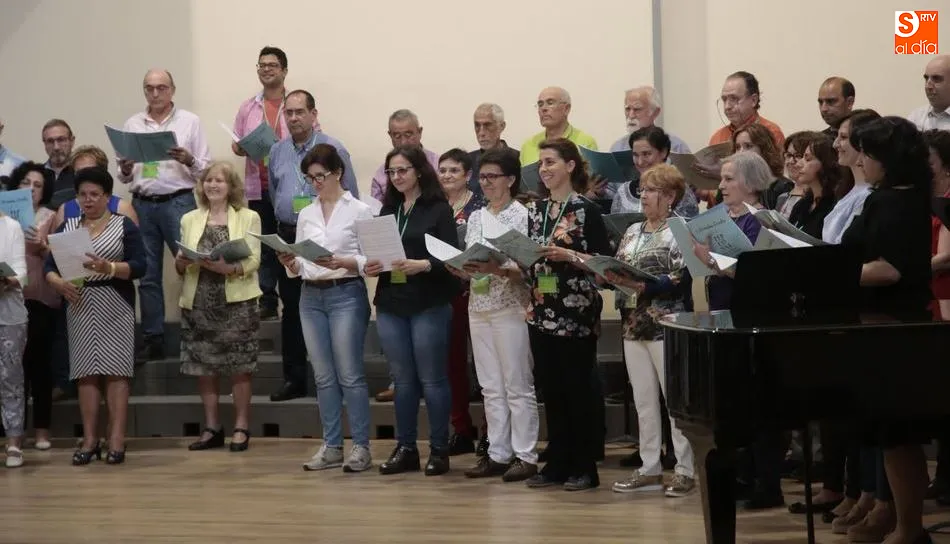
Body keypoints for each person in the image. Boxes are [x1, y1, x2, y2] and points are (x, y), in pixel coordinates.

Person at [840, 116, 936, 544]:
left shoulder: (900, 203)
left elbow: (888, 269)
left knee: (899, 436)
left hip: (896, 326)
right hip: (880, 325)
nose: (861, 160)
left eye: (868, 152)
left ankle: (909, 528)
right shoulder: (889, 197)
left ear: (887, 159)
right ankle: (898, 522)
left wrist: (830, 274)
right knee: (888, 436)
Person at [521, 138, 611, 492]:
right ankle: (557, 462)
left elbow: (603, 265)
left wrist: (570, 256)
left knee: (577, 390)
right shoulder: (536, 211)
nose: (543, 169)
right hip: (541, 308)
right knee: (552, 390)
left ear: (570, 166)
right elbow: (530, 257)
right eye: (541, 163)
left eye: (550, 162)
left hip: (575, 311)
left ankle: (584, 466)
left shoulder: (587, 210)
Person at [278, 144, 375, 473]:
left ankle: (361, 446)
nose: (316, 183)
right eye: (310, 178)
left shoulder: (360, 210)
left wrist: (345, 261)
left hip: (345, 292)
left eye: (321, 176)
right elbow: (303, 265)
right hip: (311, 295)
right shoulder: (306, 213)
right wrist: (291, 262)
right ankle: (332, 445)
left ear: (338, 173)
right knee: (322, 376)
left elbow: (373, 261)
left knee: (350, 374)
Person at [366, 145, 459, 477]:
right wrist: (372, 265)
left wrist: (423, 264)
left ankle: (439, 449)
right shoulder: (387, 211)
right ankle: (405, 448)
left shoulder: (438, 209)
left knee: (432, 380)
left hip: (428, 301)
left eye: (403, 169)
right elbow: (377, 255)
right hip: (392, 301)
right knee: (403, 382)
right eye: (391, 172)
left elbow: (452, 259)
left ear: (419, 170)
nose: (397, 176)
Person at [448, 148, 539, 482]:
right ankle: (498, 453)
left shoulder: (522, 215)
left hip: (510, 305)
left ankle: (526, 455)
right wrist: (462, 268)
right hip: (479, 305)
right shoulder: (475, 217)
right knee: (490, 386)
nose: (485, 183)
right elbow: (475, 263)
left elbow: (528, 265)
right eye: (481, 177)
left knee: (517, 383)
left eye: (492, 177)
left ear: (511, 179)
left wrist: (498, 268)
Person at [44, 167, 146, 465]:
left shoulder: (123, 224)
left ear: (107, 197)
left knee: (116, 372)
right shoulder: (68, 226)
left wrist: (111, 268)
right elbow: (49, 265)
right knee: (85, 373)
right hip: (79, 303)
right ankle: (90, 439)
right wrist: (57, 283)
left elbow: (141, 265)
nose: (88, 201)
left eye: (94, 195)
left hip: (115, 302)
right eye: (82, 195)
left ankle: (116, 438)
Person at [607, 164, 695, 497]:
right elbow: (619, 264)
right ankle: (649, 467)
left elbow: (679, 278)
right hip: (633, 323)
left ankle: (685, 470)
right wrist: (610, 275)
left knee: (674, 401)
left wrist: (638, 284)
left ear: (671, 196)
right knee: (643, 400)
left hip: (667, 323)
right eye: (642, 189)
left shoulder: (681, 229)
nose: (644, 196)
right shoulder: (632, 230)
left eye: (652, 190)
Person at [175, 162, 262, 453]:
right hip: (198, 301)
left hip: (236, 303)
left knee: (240, 368)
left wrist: (230, 268)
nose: (213, 185)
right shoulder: (189, 218)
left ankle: (241, 426)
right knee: (204, 368)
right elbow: (179, 260)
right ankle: (212, 427)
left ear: (231, 186)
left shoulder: (249, 217)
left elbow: (254, 260)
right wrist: (183, 261)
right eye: (208, 180)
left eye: (220, 181)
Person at [438, 148, 486, 454]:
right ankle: (461, 428)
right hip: (446, 292)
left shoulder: (479, 207)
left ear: (467, 175)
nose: (446, 176)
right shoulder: (435, 207)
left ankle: (491, 431)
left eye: (453, 170)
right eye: (442, 170)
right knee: (451, 364)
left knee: (484, 364)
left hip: (480, 290)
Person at [5, 163, 55, 450]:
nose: (31, 189)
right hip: (9, 297)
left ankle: (42, 431)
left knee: (40, 366)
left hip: (40, 297)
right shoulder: (5, 216)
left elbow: (63, 256)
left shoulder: (50, 216)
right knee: (13, 369)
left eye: (37, 185)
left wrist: (43, 243)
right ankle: (14, 433)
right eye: (26, 182)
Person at [0, 207, 27, 467]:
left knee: (11, 378)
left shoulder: (11, 227)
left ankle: (14, 442)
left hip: (9, 313)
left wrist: (8, 280)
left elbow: (21, 270)